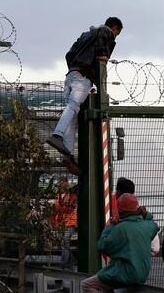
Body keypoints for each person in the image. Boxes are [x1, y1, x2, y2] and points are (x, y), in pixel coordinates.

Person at [47, 17, 123, 175]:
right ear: (115, 28)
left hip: (71, 75)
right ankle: (57, 134)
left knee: (73, 118)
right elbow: (105, 33)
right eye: (117, 32)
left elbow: (69, 54)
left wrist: (76, 68)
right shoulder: (105, 31)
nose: (115, 36)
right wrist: (102, 55)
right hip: (82, 78)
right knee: (73, 107)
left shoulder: (84, 35)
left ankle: (68, 154)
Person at [82, 193, 159, 293]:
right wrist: (146, 214)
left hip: (125, 273)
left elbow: (102, 245)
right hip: (142, 273)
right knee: (105, 284)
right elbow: (154, 224)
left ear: (120, 210)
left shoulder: (120, 228)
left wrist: (111, 225)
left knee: (87, 284)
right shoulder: (147, 226)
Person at [109, 177, 160, 255]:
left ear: (118, 192)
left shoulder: (110, 203)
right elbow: (155, 248)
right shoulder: (142, 214)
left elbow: (103, 244)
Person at [50, 177, 77, 269]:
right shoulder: (57, 196)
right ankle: (71, 261)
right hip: (61, 223)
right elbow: (54, 210)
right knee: (64, 244)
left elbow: (69, 209)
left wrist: (59, 210)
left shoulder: (72, 196)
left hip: (69, 223)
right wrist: (54, 222)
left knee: (64, 243)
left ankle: (63, 264)